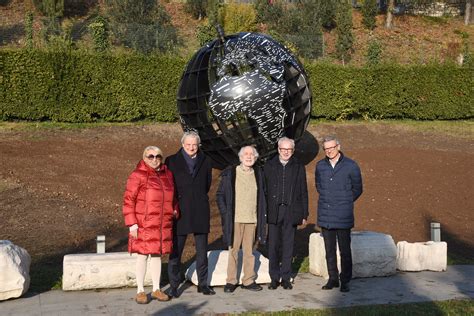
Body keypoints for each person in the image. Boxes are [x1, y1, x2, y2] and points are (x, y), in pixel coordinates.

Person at [122, 146, 179, 304]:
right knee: (142, 256)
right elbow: (128, 200)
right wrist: (132, 224)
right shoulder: (137, 175)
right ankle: (140, 291)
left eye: (158, 156)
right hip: (143, 224)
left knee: (156, 256)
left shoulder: (167, 174)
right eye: (150, 156)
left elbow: (173, 196)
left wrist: (174, 210)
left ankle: (156, 289)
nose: (154, 159)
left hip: (162, 223)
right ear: (144, 157)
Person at [165, 131, 215, 297]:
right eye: (188, 144)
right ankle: (173, 285)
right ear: (182, 144)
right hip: (180, 211)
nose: (192, 147)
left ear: (198, 145)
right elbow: (168, 186)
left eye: (194, 144)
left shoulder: (206, 160)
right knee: (176, 251)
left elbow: (206, 184)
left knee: (202, 251)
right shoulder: (171, 161)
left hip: (200, 209)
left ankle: (203, 284)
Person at [315, 136, 363, 293]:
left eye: (332, 147)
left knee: (345, 250)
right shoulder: (320, 166)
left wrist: (346, 200)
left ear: (338, 146)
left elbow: (357, 188)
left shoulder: (351, 165)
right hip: (326, 213)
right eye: (326, 148)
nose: (329, 151)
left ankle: (345, 280)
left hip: (343, 214)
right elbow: (319, 185)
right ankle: (333, 279)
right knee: (329, 250)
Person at [216, 146, 267, 293]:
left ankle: (248, 280)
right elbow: (220, 195)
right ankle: (231, 281)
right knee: (233, 251)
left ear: (256, 157)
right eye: (246, 154)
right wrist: (225, 213)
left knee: (249, 252)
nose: (249, 156)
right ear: (240, 157)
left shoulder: (259, 174)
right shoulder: (230, 173)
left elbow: (263, 196)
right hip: (235, 219)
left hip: (252, 219)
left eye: (252, 154)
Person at [264, 137, 308, 290]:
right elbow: (264, 190)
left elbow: (303, 190)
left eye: (289, 149)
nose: (286, 152)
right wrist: (263, 211)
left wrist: (304, 213)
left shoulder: (298, 166)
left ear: (293, 150)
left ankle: (286, 277)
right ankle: (274, 278)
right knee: (273, 245)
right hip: (274, 211)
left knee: (288, 245)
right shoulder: (269, 166)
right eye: (283, 149)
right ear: (278, 149)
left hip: (291, 210)